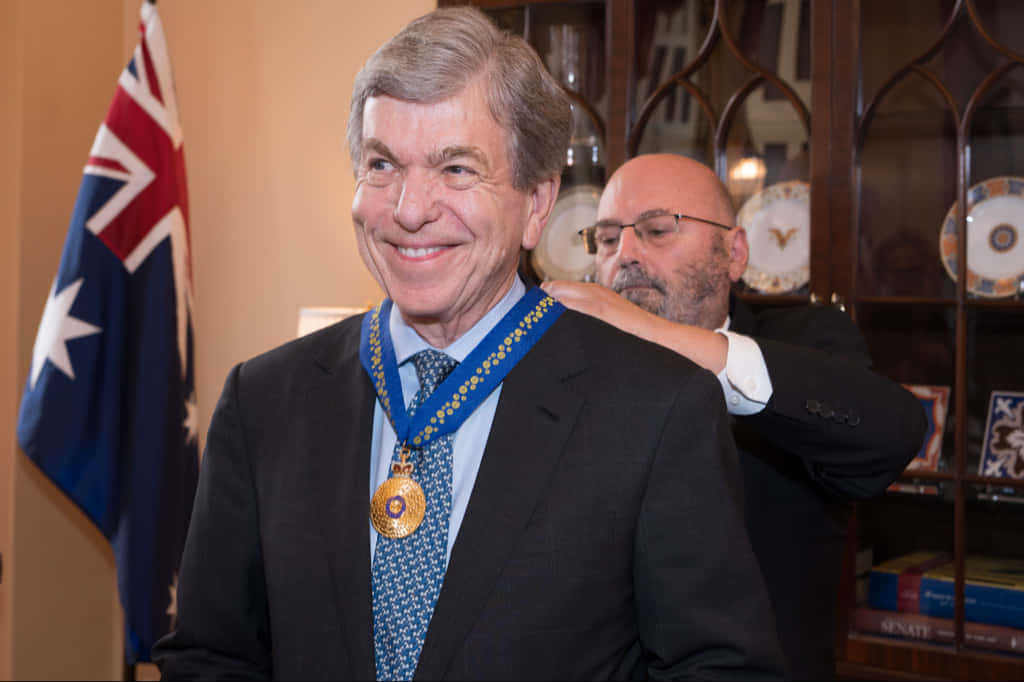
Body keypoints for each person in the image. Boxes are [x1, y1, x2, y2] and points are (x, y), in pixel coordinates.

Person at [153, 9, 787, 681]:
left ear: (537, 205)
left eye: (456, 169)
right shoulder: (264, 401)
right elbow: (209, 657)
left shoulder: (657, 411)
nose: (409, 208)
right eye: (382, 164)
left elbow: (720, 669)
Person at [542, 153, 928, 680]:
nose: (624, 255)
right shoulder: (571, 366)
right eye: (608, 239)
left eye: (656, 230)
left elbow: (895, 433)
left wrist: (647, 330)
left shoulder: (806, 341)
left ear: (734, 252)